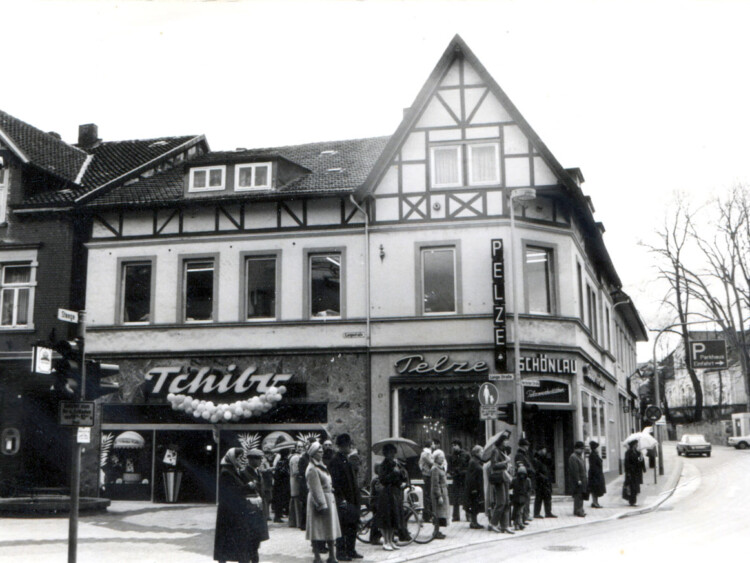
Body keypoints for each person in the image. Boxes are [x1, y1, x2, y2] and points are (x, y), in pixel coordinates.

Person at [214, 448, 269, 563]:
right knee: (231, 543)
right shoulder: (227, 472)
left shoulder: (234, 470)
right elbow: (232, 492)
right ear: (232, 458)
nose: (240, 460)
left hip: (234, 511)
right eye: (238, 458)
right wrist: (248, 486)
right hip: (229, 513)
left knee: (238, 544)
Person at [328, 433, 363, 561]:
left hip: (352, 498)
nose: (350, 447)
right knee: (343, 527)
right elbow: (336, 482)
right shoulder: (335, 461)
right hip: (343, 499)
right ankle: (341, 553)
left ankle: (351, 550)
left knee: (352, 525)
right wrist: (341, 499)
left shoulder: (346, 459)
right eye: (348, 445)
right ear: (342, 446)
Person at [306, 442, 341, 563]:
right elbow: (315, 488)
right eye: (318, 451)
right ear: (313, 454)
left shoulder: (321, 466)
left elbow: (325, 483)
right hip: (319, 501)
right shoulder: (312, 468)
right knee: (316, 530)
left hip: (328, 499)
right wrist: (322, 504)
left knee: (330, 529)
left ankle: (332, 556)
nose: (321, 453)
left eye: (321, 451)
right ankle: (317, 557)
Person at [375, 443, 406, 551]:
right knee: (387, 518)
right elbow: (383, 479)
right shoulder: (383, 465)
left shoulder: (395, 464)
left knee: (394, 518)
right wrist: (393, 473)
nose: (393, 455)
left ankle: (391, 540)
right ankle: (386, 541)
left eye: (393, 452)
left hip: (394, 493)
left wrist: (400, 472)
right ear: (386, 453)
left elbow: (401, 478)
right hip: (386, 493)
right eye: (390, 453)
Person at [485, 435, 513, 534]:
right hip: (499, 478)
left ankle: (505, 525)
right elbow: (494, 465)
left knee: (506, 502)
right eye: (505, 440)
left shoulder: (503, 451)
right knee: (501, 502)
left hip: (504, 477)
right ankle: (492, 523)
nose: (507, 442)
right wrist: (505, 462)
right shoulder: (495, 451)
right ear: (501, 441)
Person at [448, 440, 470, 522]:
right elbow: (450, 466)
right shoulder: (452, 456)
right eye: (452, 445)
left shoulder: (466, 454)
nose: (453, 447)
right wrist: (451, 472)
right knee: (455, 497)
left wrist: (464, 472)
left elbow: (469, 466)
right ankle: (455, 516)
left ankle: (468, 515)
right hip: (456, 478)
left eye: (455, 445)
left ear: (459, 445)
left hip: (464, 478)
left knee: (466, 497)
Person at [514, 438, 535, 523]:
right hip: (523, 479)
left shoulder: (525, 454)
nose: (527, 447)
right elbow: (521, 467)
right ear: (522, 446)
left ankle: (526, 515)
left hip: (527, 478)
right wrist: (530, 470)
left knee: (527, 498)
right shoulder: (519, 455)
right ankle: (524, 516)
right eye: (526, 446)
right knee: (524, 498)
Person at [430, 449, 449, 539]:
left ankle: (437, 530)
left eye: (443, 458)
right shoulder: (435, 469)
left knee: (440, 512)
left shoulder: (439, 467)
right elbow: (435, 484)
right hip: (438, 493)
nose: (442, 459)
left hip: (443, 492)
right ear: (436, 458)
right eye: (441, 458)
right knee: (437, 512)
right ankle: (435, 532)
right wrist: (439, 496)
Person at [532, 446, 556, 518]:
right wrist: (543, 477)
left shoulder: (545, 459)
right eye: (543, 450)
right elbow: (536, 471)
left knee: (548, 496)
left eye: (545, 450)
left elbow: (551, 467)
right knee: (539, 497)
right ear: (539, 450)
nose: (544, 451)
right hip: (540, 481)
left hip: (546, 480)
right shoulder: (536, 459)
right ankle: (536, 513)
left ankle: (548, 512)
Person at [464, 445, 484, 529]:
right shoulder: (473, 462)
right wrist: (474, 488)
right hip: (474, 487)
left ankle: (474, 521)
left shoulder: (477, 461)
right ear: (477, 452)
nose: (482, 453)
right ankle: (473, 522)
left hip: (478, 486)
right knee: (474, 504)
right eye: (481, 451)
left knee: (476, 504)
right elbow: (471, 477)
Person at [624, 439, 646, 507]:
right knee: (632, 486)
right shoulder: (628, 453)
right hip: (631, 472)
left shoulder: (638, 452)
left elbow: (640, 461)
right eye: (636, 444)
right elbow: (626, 463)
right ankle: (632, 501)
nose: (637, 445)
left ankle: (633, 500)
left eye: (637, 444)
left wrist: (641, 458)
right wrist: (628, 472)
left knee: (636, 486)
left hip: (637, 472)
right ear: (633, 445)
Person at [568, 441, 588, 517]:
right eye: (581, 449)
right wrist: (578, 480)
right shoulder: (573, 457)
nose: (582, 451)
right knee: (578, 495)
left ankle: (579, 510)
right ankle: (578, 511)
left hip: (582, 479)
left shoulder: (579, 457)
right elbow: (575, 470)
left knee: (581, 495)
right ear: (577, 449)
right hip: (578, 480)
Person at [272, 447, 291, 522]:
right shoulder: (285, 461)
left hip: (278, 483)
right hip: (283, 484)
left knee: (278, 500)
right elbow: (285, 472)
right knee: (281, 499)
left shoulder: (279, 462)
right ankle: (278, 516)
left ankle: (278, 515)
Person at [510, 464, 531, 530]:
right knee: (517, 511)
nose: (522, 476)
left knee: (520, 511)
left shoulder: (527, 480)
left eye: (523, 474)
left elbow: (529, 488)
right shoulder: (515, 480)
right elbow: (510, 487)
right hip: (516, 497)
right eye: (520, 474)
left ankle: (519, 523)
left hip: (522, 497)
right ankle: (517, 523)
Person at [418, 440, 435, 522]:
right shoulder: (426, 454)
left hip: (427, 475)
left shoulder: (426, 453)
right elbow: (431, 463)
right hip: (427, 475)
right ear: (430, 445)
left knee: (428, 495)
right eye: (433, 443)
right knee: (427, 496)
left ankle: (427, 515)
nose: (434, 445)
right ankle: (427, 516)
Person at [289, 442, 305, 527]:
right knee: (297, 501)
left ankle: (294, 522)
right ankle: (298, 522)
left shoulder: (297, 457)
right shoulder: (295, 458)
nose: (300, 448)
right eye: (298, 447)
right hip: (296, 481)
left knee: (295, 502)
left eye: (301, 446)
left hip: (295, 480)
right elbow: (295, 471)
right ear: (295, 448)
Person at [588, 441, 606, 508]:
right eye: (596, 448)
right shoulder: (592, 455)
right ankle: (594, 502)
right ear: (594, 448)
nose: (597, 449)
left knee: (597, 489)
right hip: (594, 475)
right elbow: (594, 467)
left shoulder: (595, 455)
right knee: (594, 489)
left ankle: (596, 502)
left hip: (597, 475)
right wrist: (596, 476)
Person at [260, 448, 275, 521]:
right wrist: (270, 469)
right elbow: (262, 470)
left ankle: (267, 514)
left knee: (268, 499)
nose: (271, 456)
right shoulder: (263, 461)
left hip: (268, 482)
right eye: (270, 454)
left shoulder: (266, 461)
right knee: (266, 499)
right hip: (265, 482)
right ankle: (266, 515)